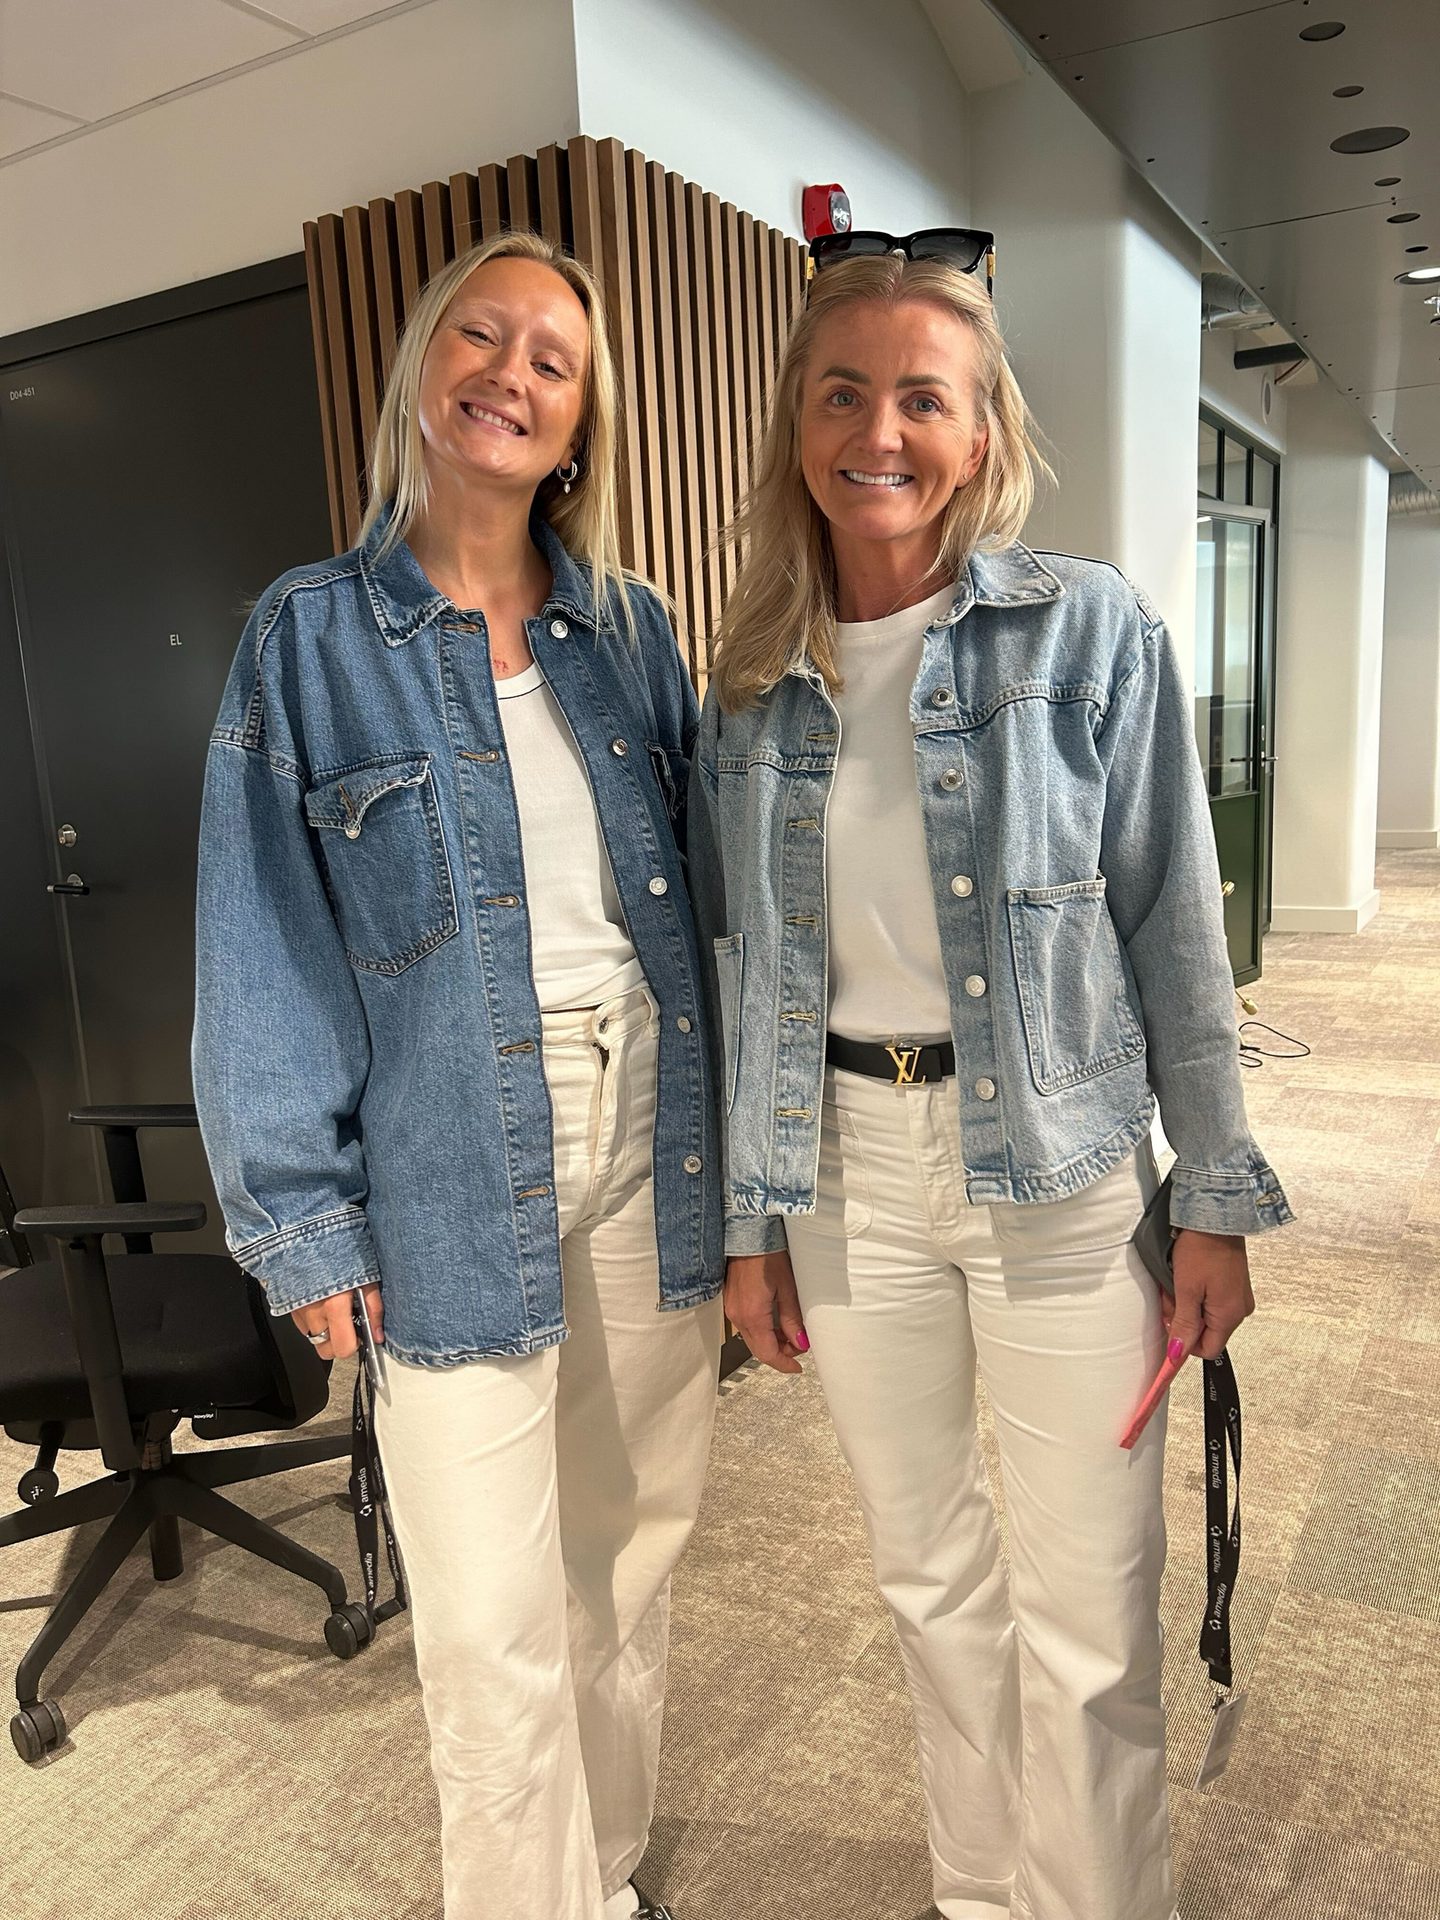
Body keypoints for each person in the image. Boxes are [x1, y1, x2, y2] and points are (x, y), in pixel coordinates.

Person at [688, 244, 1292, 1920]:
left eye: (922, 398)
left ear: (980, 433)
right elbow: (740, 978)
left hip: (1065, 1168)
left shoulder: (1084, 628)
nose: (879, 429)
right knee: (931, 1583)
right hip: (845, 1181)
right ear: (798, 426)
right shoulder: (744, 687)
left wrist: (1215, 1202)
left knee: (1090, 1612)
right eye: (843, 391)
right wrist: (753, 1225)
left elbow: (1178, 927)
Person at [192, 231, 724, 1920]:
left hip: (651, 1135)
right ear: (422, 374)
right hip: (442, 1173)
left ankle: (608, 1877)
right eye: (479, 339)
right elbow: (262, 939)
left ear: (580, 425)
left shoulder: (628, 631)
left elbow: (707, 910)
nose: (510, 374)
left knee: (624, 1570)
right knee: (491, 1626)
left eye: (550, 360)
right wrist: (301, 1223)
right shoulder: (310, 635)